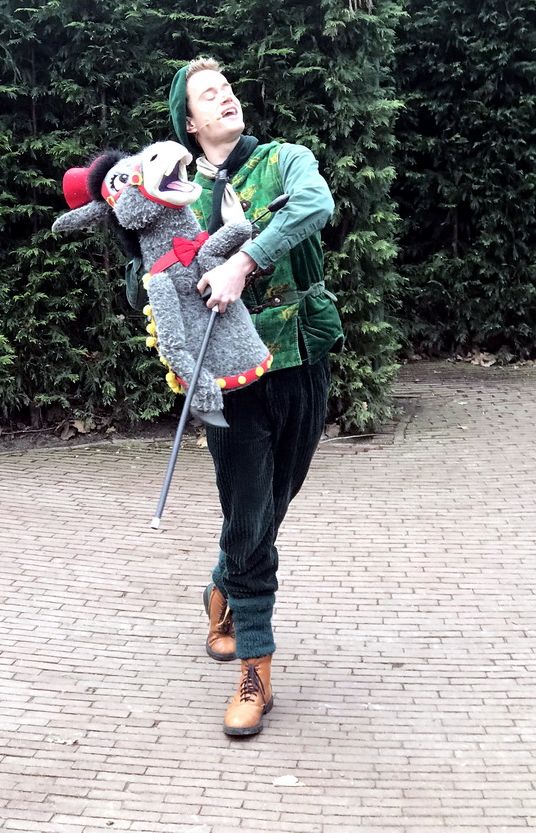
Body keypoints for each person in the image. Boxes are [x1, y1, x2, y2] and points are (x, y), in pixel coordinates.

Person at [167, 57, 344, 736]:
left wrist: (244, 261)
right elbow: (141, 283)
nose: (226, 98)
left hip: (299, 356)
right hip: (229, 379)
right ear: (189, 120)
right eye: (210, 95)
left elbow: (315, 206)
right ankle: (256, 671)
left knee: (274, 503)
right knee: (248, 517)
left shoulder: (284, 160)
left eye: (229, 88)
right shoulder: (174, 193)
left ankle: (222, 584)